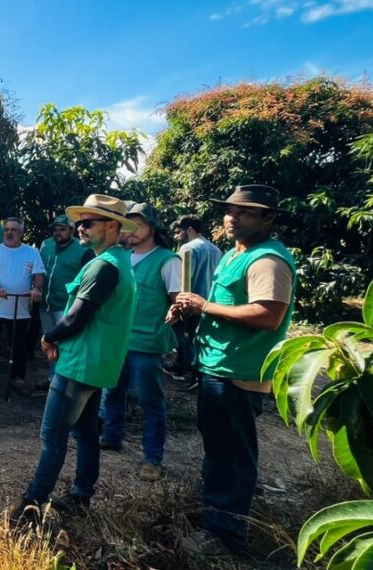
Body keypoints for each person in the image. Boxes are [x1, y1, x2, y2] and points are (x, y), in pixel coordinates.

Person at [168, 185, 296, 558]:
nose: (232, 217)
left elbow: (268, 315)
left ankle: (226, 536)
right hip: (217, 366)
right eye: (229, 210)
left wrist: (204, 305)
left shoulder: (267, 260)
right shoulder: (233, 255)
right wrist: (190, 310)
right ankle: (216, 518)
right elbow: (225, 308)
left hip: (238, 373)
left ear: (269, 218)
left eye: (245, 212)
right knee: (218, 448)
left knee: (233, 455)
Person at [10, 194, 137, 526]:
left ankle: (30, 507)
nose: (81, 227)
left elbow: (77, 317)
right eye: (80, 221)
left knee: (52, 437)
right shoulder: (118, 262)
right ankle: (81, 494)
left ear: (112, 226)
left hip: (80, 365)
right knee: (84, 434)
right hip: (95, 364)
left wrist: (49, 338)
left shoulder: (104, 266)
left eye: (88, 222)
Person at [99, 203, 179, 482]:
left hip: (148, 342)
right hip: (120, 339)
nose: (131, 231)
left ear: (153, 228)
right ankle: (111, 434)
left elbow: (177, 301)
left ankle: (152, 457)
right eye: (128, 225)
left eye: (138, 225)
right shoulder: (122, 257)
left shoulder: (168, 260)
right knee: (112, 391)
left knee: (150, 400)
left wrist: (176, 312)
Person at [0, 217, 45, 395]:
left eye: (13, 230)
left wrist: (36, 288)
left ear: (22, 233)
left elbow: (38, 274)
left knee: (18, 345)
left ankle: (18, 378)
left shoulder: (31, 252)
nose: (9, 233)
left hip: (20, 307)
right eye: (6, 229)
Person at [37, 215, 94, 384]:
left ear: (72, 230)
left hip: (66, 306)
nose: (58, 233)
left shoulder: (83, 249)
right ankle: (52, 379)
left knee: (66, 345)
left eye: (62, 229)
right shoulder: (46, 245)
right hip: (45, 305)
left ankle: (64, 380)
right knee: (49, 344)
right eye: (55, 230)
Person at [170, 215, 224, 386]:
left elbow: (182, 280)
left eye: (180, 232)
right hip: (211, 303)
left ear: (190, 230)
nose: (177, 237)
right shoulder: (217, 250)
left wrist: (177, 305)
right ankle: (194, 372)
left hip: (191, 302)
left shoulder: (187, 249)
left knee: (184, 337)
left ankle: (190, 371)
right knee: (199, 338)